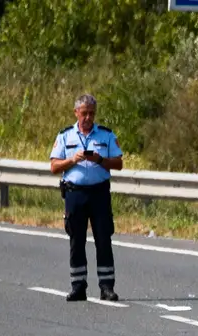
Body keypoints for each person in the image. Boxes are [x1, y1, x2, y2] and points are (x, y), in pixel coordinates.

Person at [49, 93, 124, 302]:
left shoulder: (106, 135)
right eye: (84, 113)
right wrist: (72, 159)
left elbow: (118, 163)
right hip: (75, 193)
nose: (88, 118)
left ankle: (107, 287)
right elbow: (54, 166)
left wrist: (100, 159)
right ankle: (78, 286)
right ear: (76, 113)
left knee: (103, 239)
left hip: (99, 193)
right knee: (76, 239)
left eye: (92, 113)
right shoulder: (65, 136)